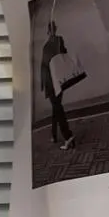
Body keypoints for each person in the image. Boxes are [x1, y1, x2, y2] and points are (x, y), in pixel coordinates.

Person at [40, 20, 75, 150]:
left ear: (48, 31)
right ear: (55, 29)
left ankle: (68, 136)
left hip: (51, 82)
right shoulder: (59, 40)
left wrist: (43, 84)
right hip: (58, 80)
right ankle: (54, 135)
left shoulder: (48, 45)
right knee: (56, 107)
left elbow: (44, 66)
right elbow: (63, 54)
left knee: (57, 108)